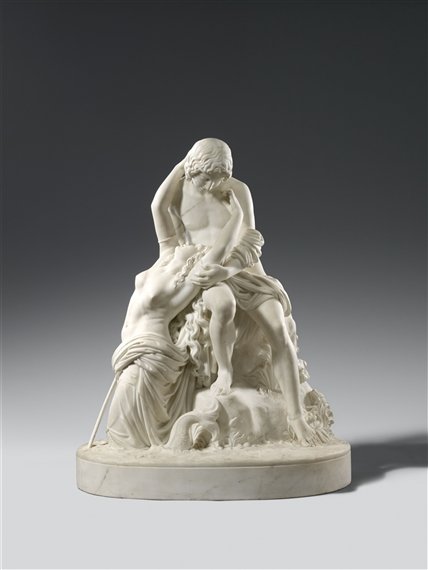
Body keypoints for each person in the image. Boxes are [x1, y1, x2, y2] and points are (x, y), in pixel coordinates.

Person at [151, 138, 328, 445]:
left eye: (219, 177)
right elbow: (157, 207)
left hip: (243, 270)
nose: (212, 185)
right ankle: (225, 372)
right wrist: (179, 167)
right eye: (205, 177)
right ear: (192, 169)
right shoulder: (179, 193)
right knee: (222, 304)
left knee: (278, 328)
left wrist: (228, 270)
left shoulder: (237, 190)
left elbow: (251, 240)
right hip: (207, 273)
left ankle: (296, 417)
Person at [106, 190, 253, 448]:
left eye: (195, 243)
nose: (188, 238)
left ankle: (148, 451)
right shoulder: (165, 256)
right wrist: (183, 169)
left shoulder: (191, 277)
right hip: (130, 348)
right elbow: (158, 205)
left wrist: (237, 215)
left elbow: (222, 247)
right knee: (123, 426)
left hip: (151, 353)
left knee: (125, 427)